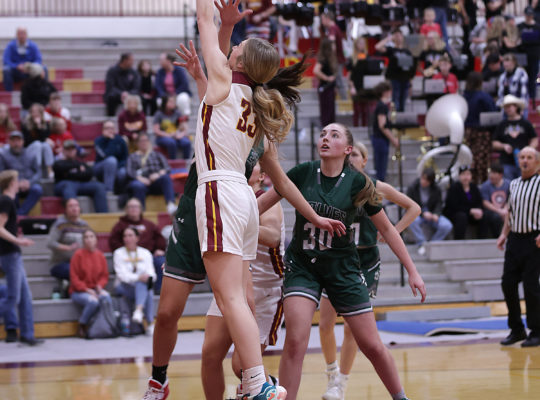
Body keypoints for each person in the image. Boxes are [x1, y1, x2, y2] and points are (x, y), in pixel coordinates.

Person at [142, 3, 344, 398]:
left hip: (219, 191)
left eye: (239, 44)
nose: (233, 45)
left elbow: (204, 19)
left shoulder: (224, 82)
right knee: (233, 298)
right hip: (242, 199)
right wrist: (314, 217)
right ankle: (257, 382)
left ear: (240, 61)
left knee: (231, 298)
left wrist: (211, 14)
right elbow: (218, 52)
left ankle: (256, 383)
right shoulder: (250, 98)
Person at [256, 123, 425, 400]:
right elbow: (260, 206)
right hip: (303, 265)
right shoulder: (302, 173)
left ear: (347, 149)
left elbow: (387, 228)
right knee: (295, 340)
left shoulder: (359, 183)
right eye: (323, 134)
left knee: (371, 345)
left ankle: (401, 397)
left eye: (334, 135)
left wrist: (412, 270)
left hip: (342, 268)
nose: (325, 138)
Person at [318, 140, 421, 400]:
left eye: (357, 156)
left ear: (364, 161)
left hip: (365, 261)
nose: (351, 159)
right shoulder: (334, 185)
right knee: (325, 322)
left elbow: (414, 207)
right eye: (350, 155)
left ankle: (341, 383)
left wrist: (394, 231)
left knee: (351, 327)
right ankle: (331, 374)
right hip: (338, 258)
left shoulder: (376, 187)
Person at [201, 161, 286, 399]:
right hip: (231, 283)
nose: (246, 163)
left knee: (241, 365)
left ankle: (272, 389)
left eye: (253, 162)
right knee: (210, 356)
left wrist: (238, 222)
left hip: (265, 288)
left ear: (263, 175)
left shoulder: (266, 199)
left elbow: (273, 237)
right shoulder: (226, 198)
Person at [496, 147, 540, 347]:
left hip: (534, 239)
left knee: (531, 287)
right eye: (522, 157)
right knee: (507, 283)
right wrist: (503, 234)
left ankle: (536, 331)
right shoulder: (513, 184)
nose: (525, 160)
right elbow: (510, 212)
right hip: (515, 239)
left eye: (529, 157)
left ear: (536, 162)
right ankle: (517, 329)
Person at [0, 170, 43, 345]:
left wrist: (16, 238)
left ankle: (27, 334)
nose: (20, 182)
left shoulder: (9, 201)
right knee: (13, 298)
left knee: (25, 296)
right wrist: (17, 240)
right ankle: (26, 333)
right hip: (9, 253)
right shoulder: (5, 200)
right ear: (11, 183)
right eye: (17, 180)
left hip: (12, 253)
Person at [109, 198, 167, 294]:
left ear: (140, 209)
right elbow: (113, 242)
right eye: (130, 207)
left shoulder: (149, 224)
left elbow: (159, 238)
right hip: (127, 256)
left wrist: (159, 249)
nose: (133, 209)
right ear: (126, 209)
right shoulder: (120, 225)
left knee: (161, 261)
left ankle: (159, 290)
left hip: (148, 256)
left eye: (136, 206)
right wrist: (126, 250)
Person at [69, 228, 111, 338]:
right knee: (93, 301)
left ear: (96, 239)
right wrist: (86, 290)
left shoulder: (100, 255)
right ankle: (82, 324)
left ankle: (105, 325)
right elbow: (74, 278)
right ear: (83, 240)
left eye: (91, 237)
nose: (89, 239)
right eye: (86, 237)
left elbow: (104, 276)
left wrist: (99, 286)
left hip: (95, 289)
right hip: (79, 291)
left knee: (106, 297)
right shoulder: (78, 255)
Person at [113, 227, 156, 335]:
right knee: (146, 289)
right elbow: (122, 276)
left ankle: (139, 310)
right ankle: (150, 322)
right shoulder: (118, 253)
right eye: (125, 236)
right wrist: (138, 278)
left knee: (146, 288)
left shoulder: (145, 253)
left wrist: (146, 278)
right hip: (123, 286)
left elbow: (152, 274)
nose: (127, 238)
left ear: (137, 238)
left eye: (130, 235)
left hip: (140, 286)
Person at [126, 132, 176, 214]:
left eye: (146, 140)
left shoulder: (157, 154)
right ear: (137, 143)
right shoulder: (132, 156)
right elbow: (129, 172)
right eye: (141, 141)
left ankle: (171, 205)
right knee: (137, 185)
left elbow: (167, 168)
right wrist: (141, 179)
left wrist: (158, 174)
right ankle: (140, 212)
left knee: (166, 178)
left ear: (149, 142)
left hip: (156, 181)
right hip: (140, 182)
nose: (144, 143)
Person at [53, 140, 109, 213]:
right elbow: (59, 169)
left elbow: (90, 174)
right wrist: (78, 170)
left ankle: (103, 215)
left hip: (81, 185)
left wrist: (68, 174)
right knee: (69, 186)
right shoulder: (59, 162)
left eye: (72, 149)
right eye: (68, 149)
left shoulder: (80, 163)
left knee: (99, 186)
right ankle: (73, 214)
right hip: (64, 185)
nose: (70, 151)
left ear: (76, 150)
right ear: (63, 151)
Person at [407, 168, 453, 254]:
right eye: (423, 178)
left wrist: (436, 214)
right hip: (418, 214)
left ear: (431, 181)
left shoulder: (436, 189)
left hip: (432, 214)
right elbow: (409, 205)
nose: (424, 181)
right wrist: (422, 213)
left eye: (427, 180)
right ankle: (422, 243)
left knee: (447, 225)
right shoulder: (413, 187)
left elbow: (439, 203)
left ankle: (433, 244)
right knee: (412, 220)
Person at [492, 94, 538, 181]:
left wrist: (527, 150)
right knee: (509, 184)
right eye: (506, 107)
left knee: (525, 183)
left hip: (524, 161)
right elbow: (494, 142)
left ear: (516, 107)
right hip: (506, 161)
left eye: (510, 106)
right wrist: (504, 146)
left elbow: (534, 139)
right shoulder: (502, 124)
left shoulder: (526, 123)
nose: (507, 109)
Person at [463, 71, 498, 184]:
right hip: (482, 133)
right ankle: (482, 186)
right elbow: (493, 116)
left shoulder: (464, 97)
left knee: (470, 161)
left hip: (467, 132)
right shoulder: (484, 97)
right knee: (482, 163)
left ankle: (471, 185)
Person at [47, 198, 90, 288]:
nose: (74, 208)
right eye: (71, 206)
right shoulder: (60, 224)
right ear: (65, 210)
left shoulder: (84, 225)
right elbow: (50, 243)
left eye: (76, 205)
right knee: (74, 270)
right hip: (61, 263)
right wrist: (68, 248)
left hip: (79, 262)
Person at [0, 131, 43, 215]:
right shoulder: (3, 155)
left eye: (18, 140)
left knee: (38, 189)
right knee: (9, 191)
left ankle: (20, 214)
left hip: (29, 184)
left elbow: (38, 172)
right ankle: (15, 213)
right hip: (11, 184)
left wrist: (30, 182)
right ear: (9, 142)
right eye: (13, 141)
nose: (16, 143)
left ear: (23, 141)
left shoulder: (31, 154)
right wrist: (16, 183)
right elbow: (1, 173)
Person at [375, 28, 416, 112]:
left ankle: (401, 118)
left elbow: (410, 67)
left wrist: (411, 82)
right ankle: (394, 117)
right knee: (394, 100)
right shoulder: (391, 50)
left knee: (403, 101)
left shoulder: (407, 51)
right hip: (394, 79)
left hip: (405, 79)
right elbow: (377, 47)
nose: (398, 38)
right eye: (396, 36)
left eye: (400, 35)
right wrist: (388, 39)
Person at [443, 166, 488, 240]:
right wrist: (470, 210)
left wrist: (479, 210)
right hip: (456, 214)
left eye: (468, 174)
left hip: (471, 215)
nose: (466, 177)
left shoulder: (473, 187)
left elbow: (479, 202)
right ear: (459, 176)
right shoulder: (454, 188)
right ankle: (459, 241)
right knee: (462, 217)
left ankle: (482, 240)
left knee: (485, 215)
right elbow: (453, 206)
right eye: (463, 174)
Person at [371, 81, 398, 182]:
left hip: (380, 139)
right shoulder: (382, 106)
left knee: (381, 167)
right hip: (380, 140)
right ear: (385, 92)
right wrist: (393, 139)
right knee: (381, 169)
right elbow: (382, 126)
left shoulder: (382, 105)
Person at [347, 36, 376, 127]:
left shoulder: (367, 57)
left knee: (365, 111)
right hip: (355, 86)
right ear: (356, 45)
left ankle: (364, 127)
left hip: (366, 86)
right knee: (357, 110)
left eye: (363, 43)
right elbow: (349, 76)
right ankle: (356, 128)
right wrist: (352, 87)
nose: (362, 45)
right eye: (360, 43)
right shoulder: (352, 58)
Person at [2, 27, 44, 92]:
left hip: (30, 71)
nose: (21, 36)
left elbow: (38, 59)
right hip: (15, 72)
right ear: (16, 35)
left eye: (23, 34)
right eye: (19, 34)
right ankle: (9, 92)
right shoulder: (10, 46)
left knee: (43, 69)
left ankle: (42, 92)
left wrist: (31, 66)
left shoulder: (33, 46)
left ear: (26, 35)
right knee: (6, 69)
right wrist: (16, 66)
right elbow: (6, 61)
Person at [94, 120, 129, 193]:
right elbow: (105, 155)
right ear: (103, 130)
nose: (110, 130)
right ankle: (109, 191)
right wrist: (111, 141)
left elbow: (125, 157)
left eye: (112, 128)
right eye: (107, 128)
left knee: (123, 172)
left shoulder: (120, 140)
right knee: (111, 160)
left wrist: (117, 167)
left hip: (118, 167)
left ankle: (121, 193)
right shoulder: (98, 141)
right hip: (100, 167)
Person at [152, 94, 191, 160]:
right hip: (163, 136)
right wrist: (169, 135)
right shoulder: (159, 114)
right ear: (164, 102)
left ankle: (186, 162)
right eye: (170, 101)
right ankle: (173, 162)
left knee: (186, 142)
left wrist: (181, 135)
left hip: (176, 135)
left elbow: (184, 128)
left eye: (173, 101)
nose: (173, 103)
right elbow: (156, 131)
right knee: (172, 143)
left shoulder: (177, 113)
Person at [21, 103, 54, 178]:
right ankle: (37, 169)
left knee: (45, 145)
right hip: (28, 150)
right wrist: (42, 138)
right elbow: (27, 141)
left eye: (38, 112)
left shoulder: (46, 124)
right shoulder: (25, 124)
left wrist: (39, 126)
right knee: (37, 144)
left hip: (41, 149)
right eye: (33, 112)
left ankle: (49, 169)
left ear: (41, 113)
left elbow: (45, 138)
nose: (35, 114)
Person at [155, 53, 192, 118]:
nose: (160, 62)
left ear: (168, 61)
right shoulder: (160, 72)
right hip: (166, 95)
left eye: (161, 60)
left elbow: (184, 84)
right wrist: (165, 95)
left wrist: (175, 94)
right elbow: (158, 86)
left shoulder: (180, 70)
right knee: (159, 101)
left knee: (183, 98)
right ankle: (164, 119)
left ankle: (185, 117)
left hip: (178, 94)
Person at [480, 164, 510, 238]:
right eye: (490, 173)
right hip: (492, 211)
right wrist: (499, 211)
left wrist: (505, 210)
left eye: (493, 173)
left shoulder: (509, 184)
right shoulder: (485, 186)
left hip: (506, 210)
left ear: (500, 175)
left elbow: (510, 199)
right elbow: (485, 202)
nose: (491, 175)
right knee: (492, 217)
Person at [518, 6, 540, 108]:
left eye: (530, 15)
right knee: (523, 77)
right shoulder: (520, 26)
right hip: (522, 55)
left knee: (533, 78)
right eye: (527, 15)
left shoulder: (537, 27)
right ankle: (523, 99)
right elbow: (518, 40)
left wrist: (526, 38)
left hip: (534, 56)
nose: (529, 17)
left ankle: (532, 100)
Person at [313, 38, 338, 127]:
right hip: (325, 89)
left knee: (331, 112)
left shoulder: (330, 59)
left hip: (330, 88)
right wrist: (327, 78)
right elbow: (316, 70)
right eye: (332, 44)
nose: (334, 46)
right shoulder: (323, 59)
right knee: (327, 112)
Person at [497, 53, 529, 118]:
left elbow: (523, 93)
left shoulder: (521, 74)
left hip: (519, 107)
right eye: (504, 61)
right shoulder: (503, 77)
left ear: (514, 62)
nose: (505, 64)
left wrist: (521, 108)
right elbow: (501, 94)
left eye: (507, 61)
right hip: (506, 107)